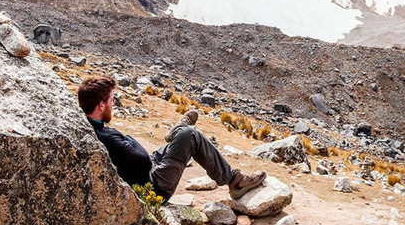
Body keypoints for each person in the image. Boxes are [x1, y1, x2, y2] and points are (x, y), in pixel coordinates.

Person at [78, 75, 266, 202]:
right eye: (111, 100)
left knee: (183, 138)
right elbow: (142, 160)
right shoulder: (104, 136)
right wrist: (129, 139)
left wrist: (128, 142)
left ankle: (178, 131)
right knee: (190, 135)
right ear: (101, 105)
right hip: (155, 186)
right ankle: (235, 181)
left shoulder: (87, 128)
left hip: (149, 171)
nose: (113, 103)